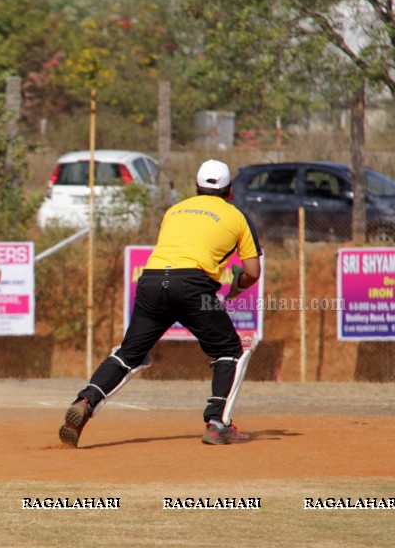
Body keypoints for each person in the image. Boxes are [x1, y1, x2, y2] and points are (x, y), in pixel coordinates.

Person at [58, 159, 263, 447]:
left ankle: (85, 401)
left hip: (152, 279)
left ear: (196, 188)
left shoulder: (175, 210)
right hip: (192, 285)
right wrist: (236, 287)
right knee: (230, 350)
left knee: (130, 354)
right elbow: (252, 272)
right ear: (230, 191)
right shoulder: (237, 216)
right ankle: (218, 424)